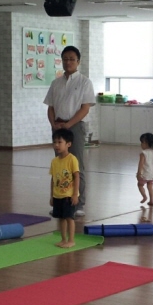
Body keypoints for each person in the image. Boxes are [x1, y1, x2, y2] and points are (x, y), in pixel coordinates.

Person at [43, 45, 94, 217]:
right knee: (60, 164)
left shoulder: (84, 82)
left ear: (78, 61)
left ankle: (78, 203)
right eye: (65, 59)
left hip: (75, 126)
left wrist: (69, 124)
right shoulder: (56, 83)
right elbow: (50, 107)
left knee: (76, 164)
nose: (68, 62)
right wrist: (54, 124)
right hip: (58, 126)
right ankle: (60, 202)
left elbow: (85, 108)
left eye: (72, 59)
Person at [49, 128, 80, 248]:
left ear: (68, 144)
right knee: (60, 218)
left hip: (68, 195)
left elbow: (76, 177)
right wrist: (52, 195)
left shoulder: (72, 159)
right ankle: (63, 239)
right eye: (54, 142)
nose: (56, 145)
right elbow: (53, 179)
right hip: (58, 195)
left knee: (69, 217)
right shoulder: (54, 161)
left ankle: (71, 240)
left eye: (59, 142)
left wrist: (75, 194)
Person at [136, 132, 153, 207]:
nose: (141, 144)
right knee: (150, 186)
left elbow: (141, 164)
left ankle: (144, 197)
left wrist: (139, 173)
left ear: (146, 143)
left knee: (140, 185)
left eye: (142, 142)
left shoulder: (143, 153)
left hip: (145, 174)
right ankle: (151, 200)